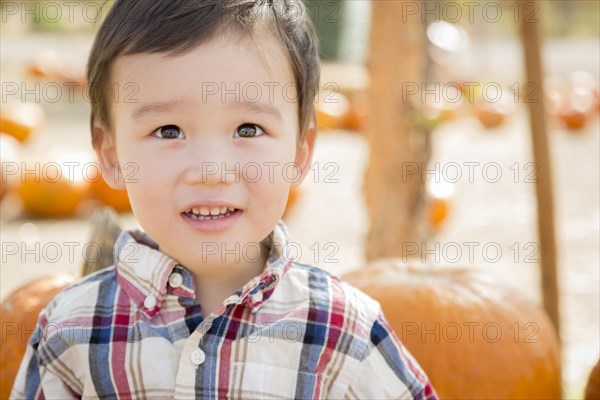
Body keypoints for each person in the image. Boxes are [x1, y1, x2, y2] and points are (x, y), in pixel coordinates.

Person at [11, 1, 438, 399]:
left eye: (248, 129)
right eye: (169, 131)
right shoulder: (72, 329)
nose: (212, 169)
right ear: (111, 155)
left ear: (300, 152)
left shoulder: (344, 331)